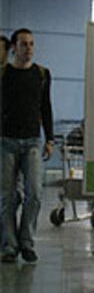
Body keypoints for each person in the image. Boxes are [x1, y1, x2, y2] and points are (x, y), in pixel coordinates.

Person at [1, 28, 54, 263]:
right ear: (14, 47)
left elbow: (46, 108)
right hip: (5, 142)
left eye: (32, 44)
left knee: (35, 193)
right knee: (8, 197)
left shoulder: (42, 74)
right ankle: (9, 246)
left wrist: (50, 138)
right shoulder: (3, 74)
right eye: (24, 44)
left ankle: (27, 242)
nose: (29, 48)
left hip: (32, 141)